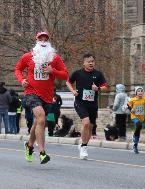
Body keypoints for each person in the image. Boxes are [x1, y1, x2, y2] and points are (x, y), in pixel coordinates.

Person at [15, 31, 69, 164]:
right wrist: (21, 80)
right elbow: (17, 69)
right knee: (41, 118)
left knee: (39, 122)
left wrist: (53, 71)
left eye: (46, 39)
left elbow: (65, 75)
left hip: (47, 96)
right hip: (31, 92)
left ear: (49, 42)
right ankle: (42, 153)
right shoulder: (28, 56)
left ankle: (29, 146)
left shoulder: (54, 58)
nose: (43, 41)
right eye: (41, 39)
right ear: (37, 41)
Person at [66, 53, 108, 160]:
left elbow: (105, 86)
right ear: (84, 63)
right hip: (80, 102)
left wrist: (97, 88)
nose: (91, 63)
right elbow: (68, 82)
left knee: (90, 127)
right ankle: (84, 147)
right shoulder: (77, 73)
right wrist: (73, 91)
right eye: (88, 61)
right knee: (86, 123)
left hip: (92, 104)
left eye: (92, 61)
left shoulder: (98, 74)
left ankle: (83, 144)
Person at [127, 86, 145, 154]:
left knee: (138, 129)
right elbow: (128, 105)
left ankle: (135, 144)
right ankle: (134, 139)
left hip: (141, 117)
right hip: (134, 116)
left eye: (141, 91)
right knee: (138, 125)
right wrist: (131, 109)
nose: (140, 92)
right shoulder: (132, 100)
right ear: (136, 92)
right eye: (138, 91)